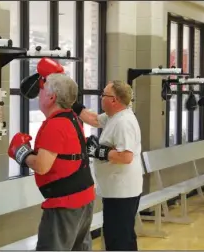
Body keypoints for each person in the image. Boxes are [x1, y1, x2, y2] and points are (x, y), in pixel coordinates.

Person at [8, 58, 95, 251]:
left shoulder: (55, 125)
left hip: (66, 204)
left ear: (52, 98)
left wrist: (20, 152)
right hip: (83, 197)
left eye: (42, 90)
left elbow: (42, 166)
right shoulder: (73, 119)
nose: (38, 95)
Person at [72, 80, 144, 251]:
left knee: (118, 239)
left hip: (122, 191)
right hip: (115, 189)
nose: (101, 97)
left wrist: (99, 152)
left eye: (104, 95)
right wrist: (73, 105)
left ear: (114, 100)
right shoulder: (114, 116)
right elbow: (94, 119)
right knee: (120, 235)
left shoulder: (124, 122)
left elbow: (126, 156)